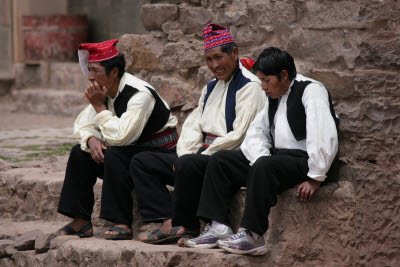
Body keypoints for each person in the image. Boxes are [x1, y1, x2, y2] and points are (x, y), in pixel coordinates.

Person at [185, 47, 339, 255]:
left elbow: (323, 134)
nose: (263, 87)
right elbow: (256, 134)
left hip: (306, 162)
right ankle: (219, 227)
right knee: (222, 160)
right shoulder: (274, 96)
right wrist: (260, 159)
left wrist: (316, 177)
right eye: (261, 81)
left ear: (284, 75)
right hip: (276, 161)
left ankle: (252, 235)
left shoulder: (311, 91)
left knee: (265, 165)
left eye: (267, 80)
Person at [130, 23, 266, 244]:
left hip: (227, 157)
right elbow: (195, 124)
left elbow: (239, 135)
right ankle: (167, 218)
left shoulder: (249, 87)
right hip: (202, 153)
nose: (214, 65)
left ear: (235, 53)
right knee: (143, 162)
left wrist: (198, 157)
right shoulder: (211, 86)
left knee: (188, 165)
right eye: (209, 60)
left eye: (219, 57)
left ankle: (186, 225)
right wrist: (185, 154)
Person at [57, 39, 178, 240]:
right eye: (89, 70)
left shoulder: (139, 94)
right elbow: (82, 124)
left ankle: (121, 221)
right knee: (80, 152)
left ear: (114, 73)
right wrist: (91, 140)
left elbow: (122, 137)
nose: (90, 77)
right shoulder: (104, 91)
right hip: (129, 153)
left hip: (158, 155)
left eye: (95, 71)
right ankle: (81, 221)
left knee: (115, 153)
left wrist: (99, 108)